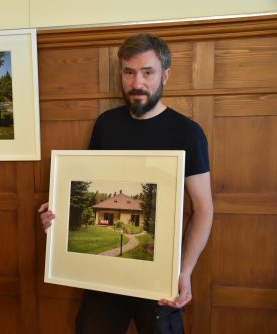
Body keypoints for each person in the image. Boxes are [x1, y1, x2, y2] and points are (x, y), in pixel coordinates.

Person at [38, 33, 214, 334]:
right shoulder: (106, 124)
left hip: (160, 280)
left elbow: (204, 208)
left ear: (165, 75)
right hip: (104, 279)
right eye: (129, 72)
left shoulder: (188, 133)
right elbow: (88, 181)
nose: (137, 83)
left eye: (148, 72)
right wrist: (57, 215)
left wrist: (185, 270)